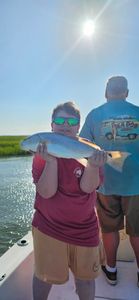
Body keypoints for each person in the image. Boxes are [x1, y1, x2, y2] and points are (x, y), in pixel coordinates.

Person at [32, 101, 107, 300]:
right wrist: (51, 161)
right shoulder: (43, 152)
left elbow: (87, 188)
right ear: (51, 125)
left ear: (78, 125)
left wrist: (92, 166)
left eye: (72, 120)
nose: (65, 124)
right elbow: (46, 193)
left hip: (85, 229)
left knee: (86, 279)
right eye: (59, 119)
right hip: (49, 227)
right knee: (44, 277)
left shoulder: (91, 149)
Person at [80, 75, 139, 287]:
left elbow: (83, 146)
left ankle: (112, 271)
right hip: (137, 185)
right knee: (138, 231)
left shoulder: (95, 114)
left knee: (109, 229)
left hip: (106, 184)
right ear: (127, 93)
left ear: (106, 92)